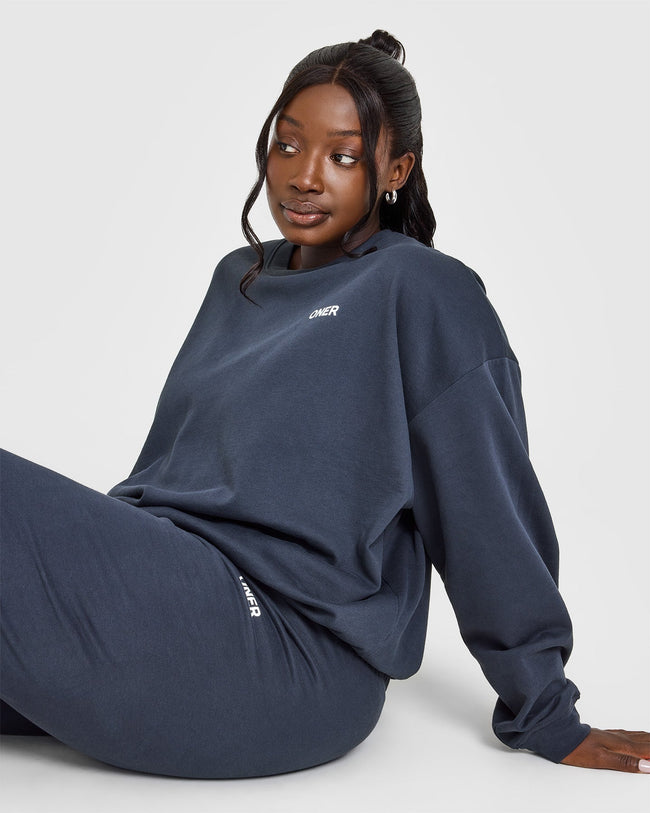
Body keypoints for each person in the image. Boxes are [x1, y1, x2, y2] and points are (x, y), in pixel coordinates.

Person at [1, 30, 648, 779]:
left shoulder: (421, 292)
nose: (304, 177)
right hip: (173, 600)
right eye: (287, 146)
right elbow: (173, 475)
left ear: (395, 170)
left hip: (286, 647)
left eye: (342, 157)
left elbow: (484, 509)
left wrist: (548, 712)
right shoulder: (240, 279)